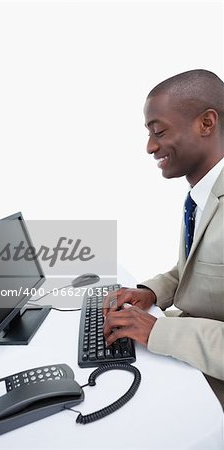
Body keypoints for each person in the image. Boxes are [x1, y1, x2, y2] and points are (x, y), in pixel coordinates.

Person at [103, 69, 224, 408]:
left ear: (206, 123)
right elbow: (195, 270)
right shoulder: (203, 195)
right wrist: (150, 292)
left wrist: (157, 331)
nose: (150, 146)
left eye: (158, 131)